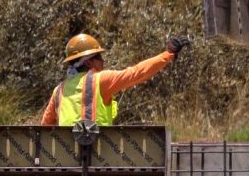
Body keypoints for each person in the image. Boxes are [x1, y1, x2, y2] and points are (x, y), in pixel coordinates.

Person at [38, 32, 187, 128]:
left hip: (67, 163)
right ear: (89, 62)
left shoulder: (59, 90)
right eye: (99, 57)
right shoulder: (101, 80)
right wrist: (168, 54)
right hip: (99, 155)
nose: (103, 61)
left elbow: (45, 126)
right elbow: (137, 73)